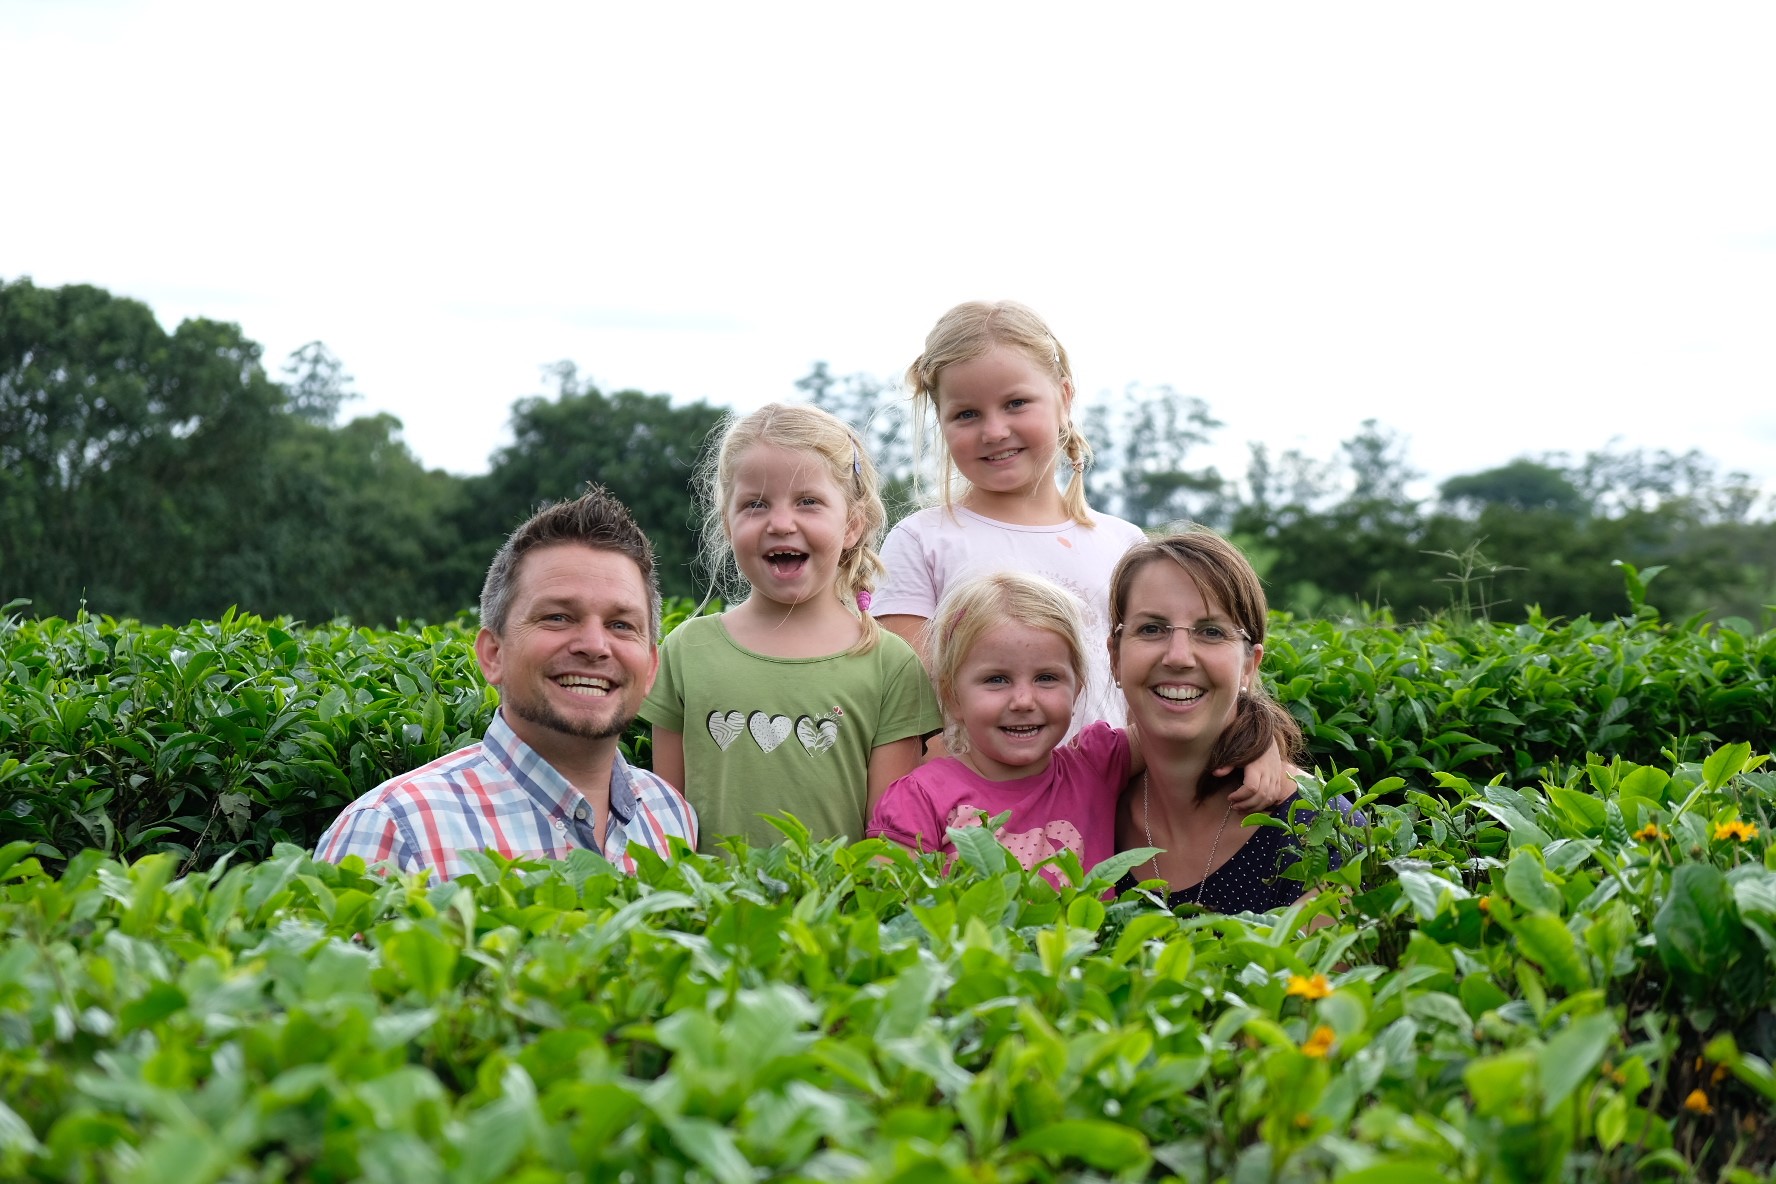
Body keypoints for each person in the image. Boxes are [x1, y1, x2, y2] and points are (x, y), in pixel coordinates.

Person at [315, 487, 697, 881]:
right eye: (558, 617)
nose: (595, 647)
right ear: (493, 654)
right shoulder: (391, 832)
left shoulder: (671, 816)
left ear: (650, 668)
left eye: (621, 625)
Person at [642, 403, 942, 852]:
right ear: (728, 522)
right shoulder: (687, 651)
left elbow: (887, 843)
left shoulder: (889, 664)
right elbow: (666, 825)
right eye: (755, 505)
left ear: (852, 526)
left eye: (809, 502)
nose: (781, 523)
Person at [873, 300, 1147, 734]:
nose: (994, 431)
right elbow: (911, 707)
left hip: (1114, 797)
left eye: (1016, 403)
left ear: (1064, 398)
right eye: (966, 414)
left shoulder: (1126, 545)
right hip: (980, 801)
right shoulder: (921, 541)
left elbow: (1150, 692)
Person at [1109, 529, 1343, 913]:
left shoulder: (1314, 827)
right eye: (1151, 628)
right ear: (1115, 655)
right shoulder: (1088, 810)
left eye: (1211, 632)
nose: (1179, 656)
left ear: (1249, 665)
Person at [867, 572, 1137, 886]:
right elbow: (885, 906)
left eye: (1046, 678)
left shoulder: (1098, 764)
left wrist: (1212, 751)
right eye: (997, 679)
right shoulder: (919, 799)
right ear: (952, 695)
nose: (1023, 700)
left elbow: (1182, 736)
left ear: (1076, 689)